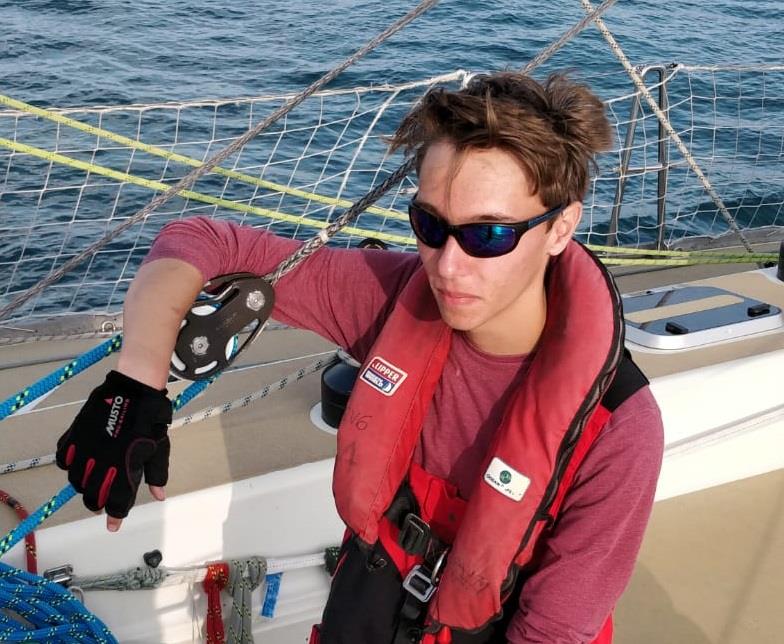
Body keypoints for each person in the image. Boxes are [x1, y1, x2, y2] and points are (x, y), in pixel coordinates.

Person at [56, 72, 664, 643]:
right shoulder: (393, 299)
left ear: (560, 229)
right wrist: (136, 380)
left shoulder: (618, 429)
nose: (448, 267)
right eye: (430, 224)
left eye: (489, 235)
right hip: (367, 603)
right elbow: (206, 240)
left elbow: (554, 631)